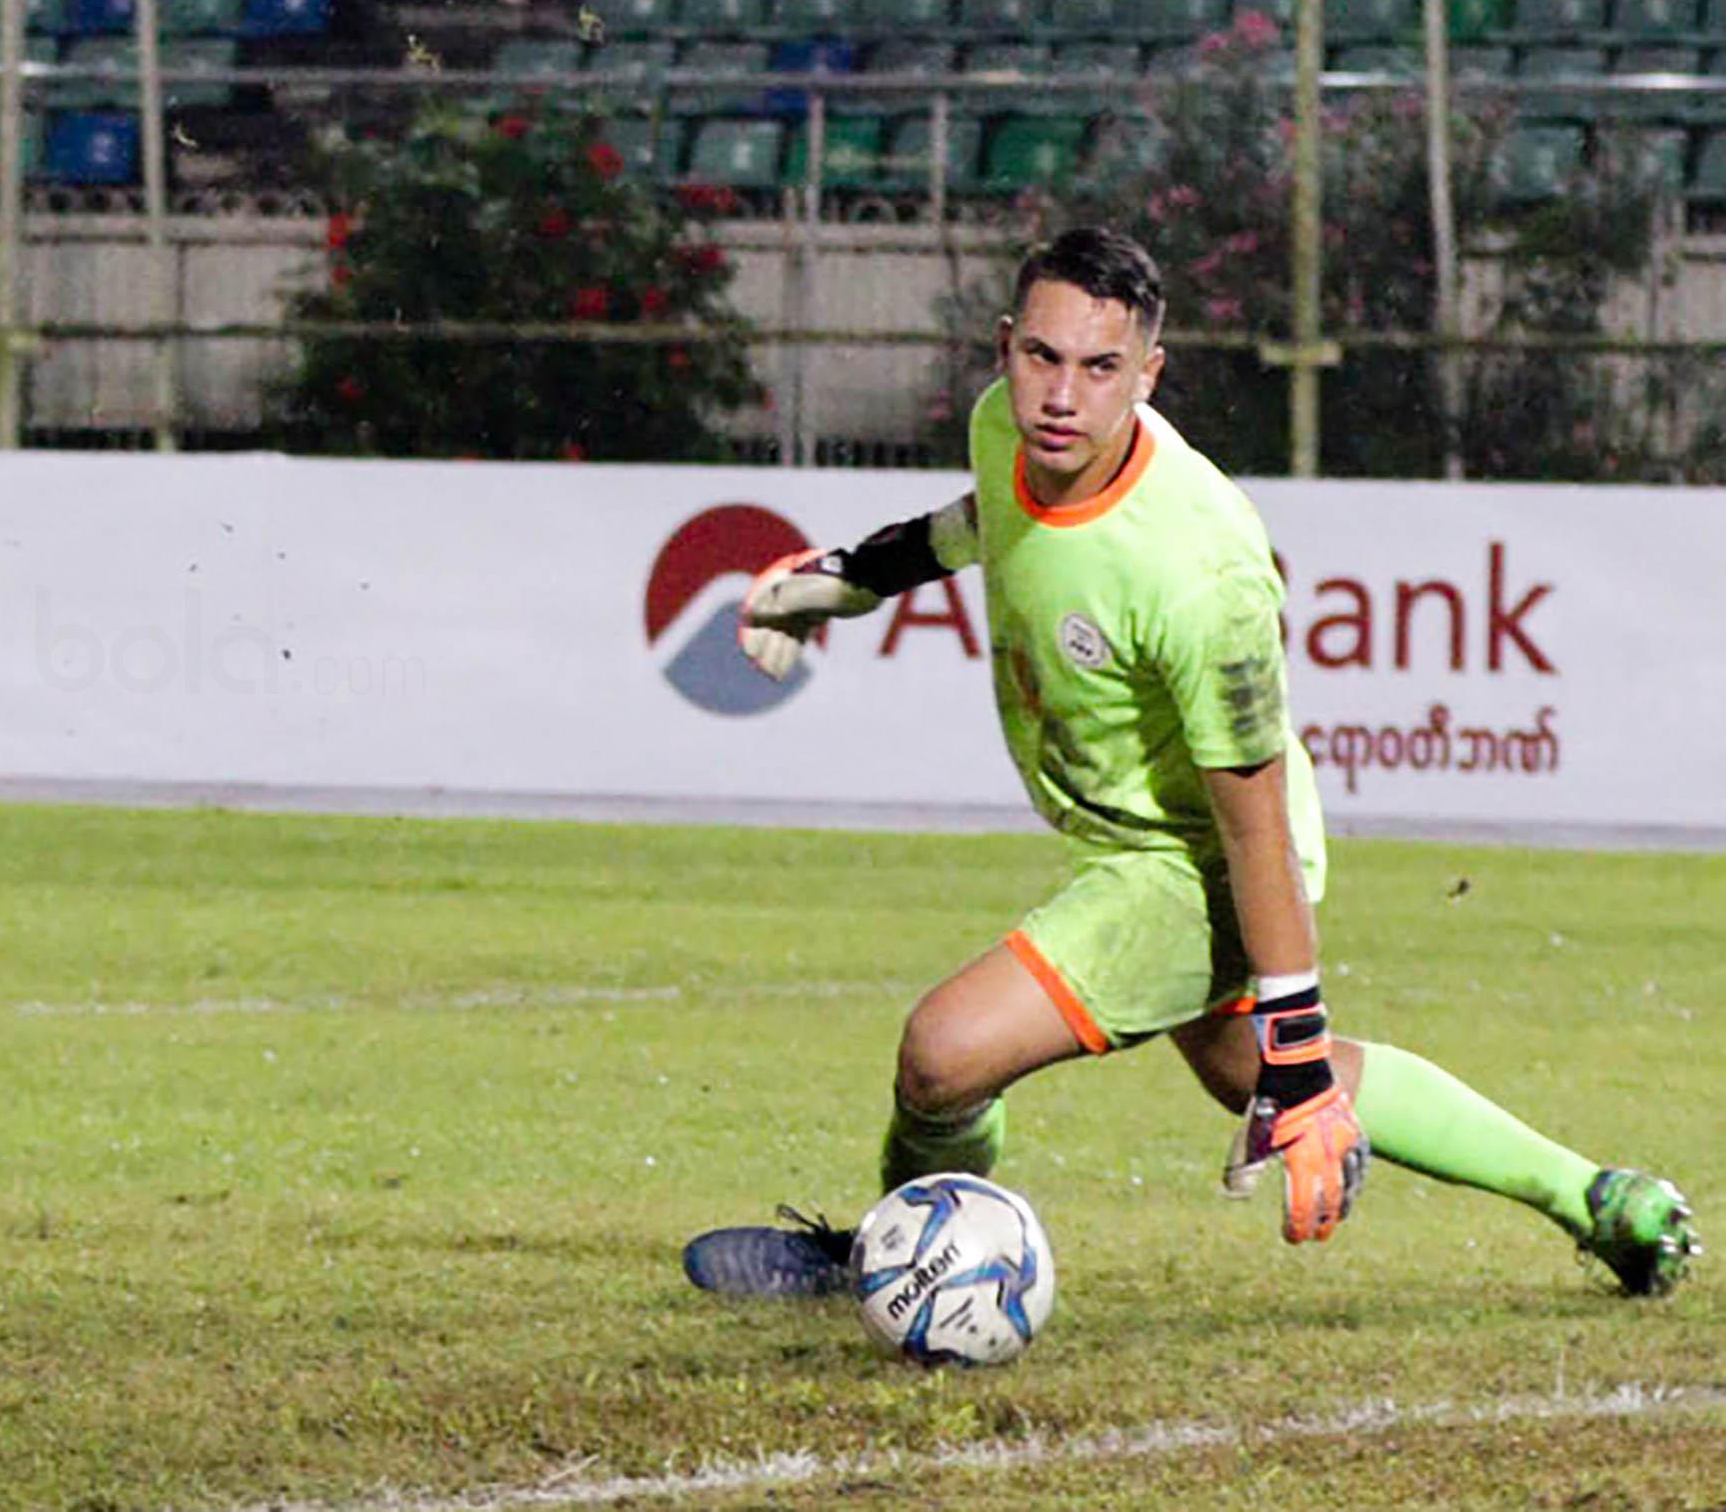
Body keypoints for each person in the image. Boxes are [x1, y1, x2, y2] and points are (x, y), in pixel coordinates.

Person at [682, 227, 1697, 1300]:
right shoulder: (1006, 427)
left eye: (1100, 367)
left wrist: (1300, 1056)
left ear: (1148, 375)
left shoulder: (1199, 570)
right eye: (1041, 356)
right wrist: (855, 576)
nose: (1061, 395)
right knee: (1234, 1072)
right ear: (1004, 348)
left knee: (942, 1052)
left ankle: (888, 1262)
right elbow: (991, 516)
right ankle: (1604, 1200)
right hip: (1126, 832)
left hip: (1195, 857)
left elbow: (1253, 823)